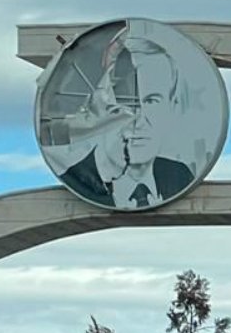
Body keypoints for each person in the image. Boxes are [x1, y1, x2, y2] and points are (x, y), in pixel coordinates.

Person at [59, 34, 197, 209]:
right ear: (98, 103)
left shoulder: (181, 176)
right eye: (123, 101)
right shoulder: (77, 180)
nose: (138, 120)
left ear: (171, 106)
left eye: (152, 101)